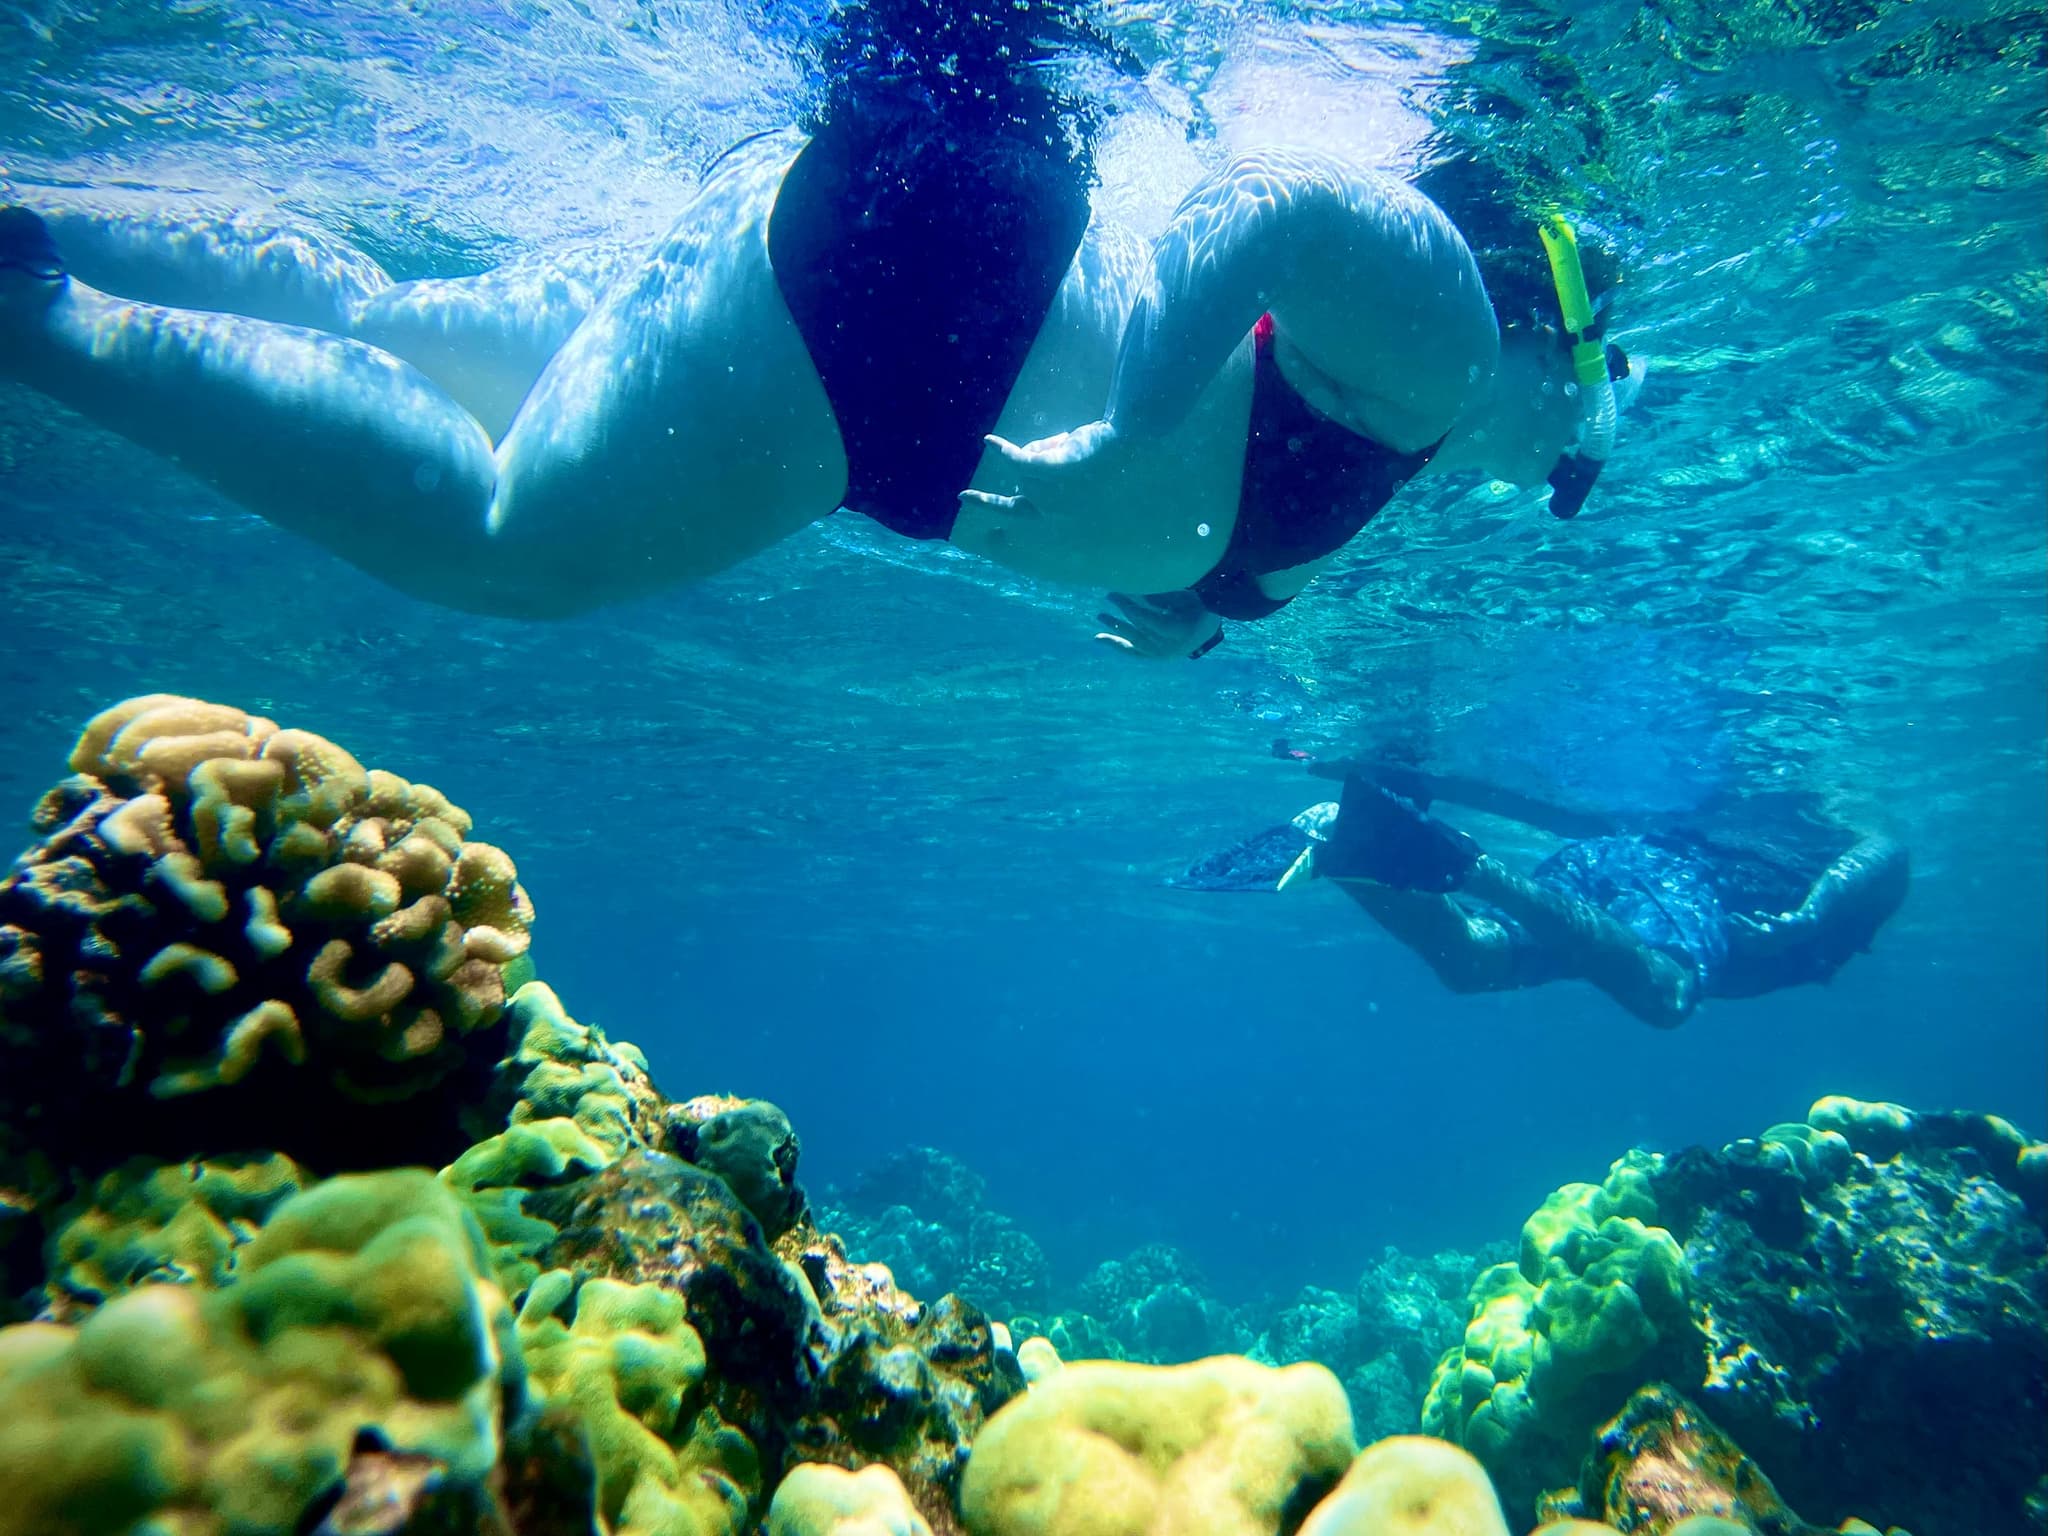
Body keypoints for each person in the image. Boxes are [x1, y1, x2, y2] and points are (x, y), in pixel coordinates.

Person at [0, 0, 1637, 656]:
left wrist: (1186, 599)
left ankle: (35, 226)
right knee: (507, 541)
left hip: (911, 295)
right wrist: (1134, 433)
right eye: (1607, 379)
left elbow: (1240, 423)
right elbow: (1270, 207)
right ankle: (39, 318)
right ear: (1555, 324)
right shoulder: (1449, 346)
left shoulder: (1406, 414)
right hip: (916, 325)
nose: (1589, 430)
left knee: (399, 328)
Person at [1177, 764, 1910, 1028]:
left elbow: (1562, 818)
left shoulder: (1756, 843)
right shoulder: (1813, 901)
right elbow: (1888, 851)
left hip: (1615, 873)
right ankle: (1467, 867)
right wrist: (1815, 911)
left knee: (1475, 962)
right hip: (1675, 885)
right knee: (1667, 994)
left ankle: (1344, 845)